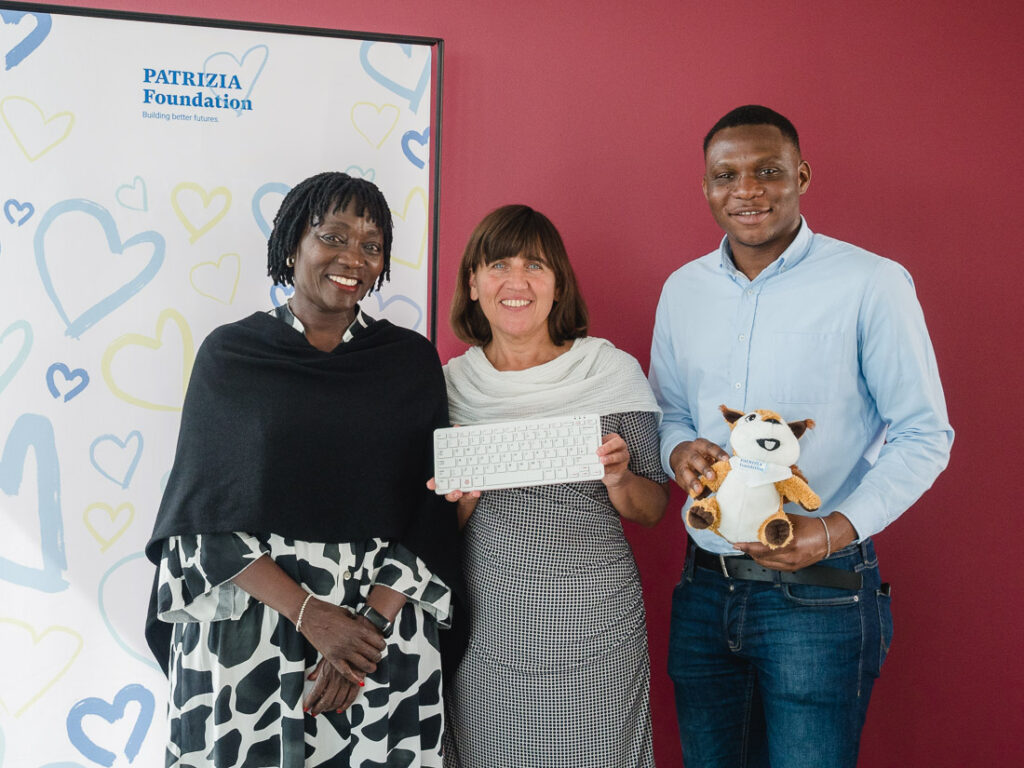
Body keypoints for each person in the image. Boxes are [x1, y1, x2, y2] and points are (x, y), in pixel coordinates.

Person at [649, 105, 953, 768]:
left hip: (821, 593)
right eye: (726, 175)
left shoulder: (871, 283)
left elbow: (925, 433)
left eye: (767, 171)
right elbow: (669, 412)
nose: (746, 190)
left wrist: (836, 529)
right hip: (705, 591)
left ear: (802, 176)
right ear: (705, 186)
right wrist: (678, 451)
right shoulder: (683, 291)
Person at [144, 172, 462, 767]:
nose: (354, 258)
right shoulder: (231, 356)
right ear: (292, 245)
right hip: (251, 633)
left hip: (379, 640)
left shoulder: (409, 362)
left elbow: (434, 509)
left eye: (371, 246)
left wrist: (360, 634)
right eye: (333, 237)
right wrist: (311, 615)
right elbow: (198, 517)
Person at [434, 204, 670, 768]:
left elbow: (654, 508)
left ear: (558, 283)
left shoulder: (608, 371)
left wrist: (619, 477)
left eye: (534, 266)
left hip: (598, 623)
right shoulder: (448, 386)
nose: (516, 282)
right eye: (498, 265)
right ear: (473, 283)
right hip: (490, 622)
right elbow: (432, 532)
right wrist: (462, 501)